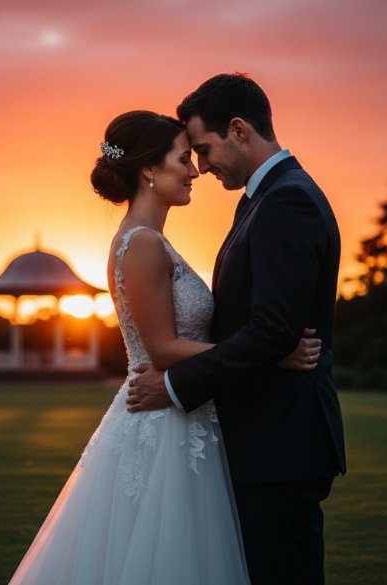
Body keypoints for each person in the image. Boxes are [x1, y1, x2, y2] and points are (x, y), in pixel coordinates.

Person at [7, 110, 321, 585]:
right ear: (149, 170)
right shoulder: (143, 244)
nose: (195, 170)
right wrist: (271, 352)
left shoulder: (149, 240)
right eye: (183, 159)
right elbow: (163, 349)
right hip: (165, 423)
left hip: (184, 414)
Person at [127, 74, 346, 585]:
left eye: (204, 149)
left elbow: (271, 329)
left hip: (280, 444)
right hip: (262, 438)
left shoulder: (284, 201)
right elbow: (259, 331)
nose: (202, 167)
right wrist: (269, 349)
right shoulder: (261, 200)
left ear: (240, 130)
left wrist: (175, 386)